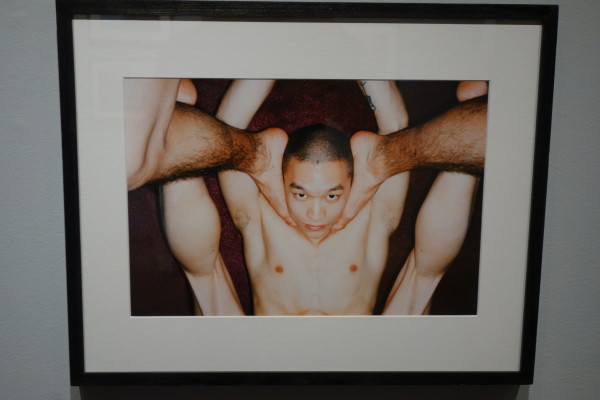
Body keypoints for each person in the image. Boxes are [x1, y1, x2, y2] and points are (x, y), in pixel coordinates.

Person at [155, 79, 487, 315]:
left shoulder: (371, 210)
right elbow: (227, 127)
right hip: (265, 351)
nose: (316, 214)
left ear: (353, 183)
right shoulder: (260, 210)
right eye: (300, 193)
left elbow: (395, 123)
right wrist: (270, 53)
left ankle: (448, 148)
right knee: (204, 276)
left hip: (360, 353)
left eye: (332, 195)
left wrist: (360, 57)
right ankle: (199, 134)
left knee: (424, 276)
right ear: (280, 179)